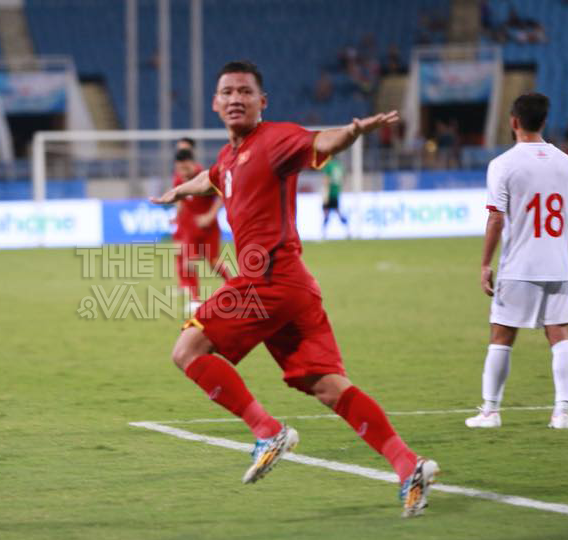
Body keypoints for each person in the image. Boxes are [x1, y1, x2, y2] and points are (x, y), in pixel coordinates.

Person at [150, 61, 438, 517]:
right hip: (296, 286)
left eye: (245, 91)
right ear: (214, 103)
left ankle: (267, 430)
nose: (235, 99)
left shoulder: (276, 139)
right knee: (325, 385)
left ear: (262, 102)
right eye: (227, 92)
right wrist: (178, 192)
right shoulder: (228, 157)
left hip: (267, 278)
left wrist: (351, 132)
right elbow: (211, 178)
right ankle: (409, 465)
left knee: (187, 350)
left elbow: (319, 142)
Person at [465, 93, 568, 430]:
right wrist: (562, 251)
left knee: (501, 335)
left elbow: (496, 219)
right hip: (557, 263)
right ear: (544, 121)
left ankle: (490, 411)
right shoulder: (566, 163)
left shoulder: (503, 164)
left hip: (519, 265)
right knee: (560, 333)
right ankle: (562, 413)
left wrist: (486, 263)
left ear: (514, 121)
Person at [172, 148, 232, 314]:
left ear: (192, 164)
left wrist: (210, 215)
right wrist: (176, 217)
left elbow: (222, 196)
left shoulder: (206, 176)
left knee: (213, 261)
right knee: (188, 261)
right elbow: (181, 200)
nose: (182, 173)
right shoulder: (178, 180)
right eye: (179, 169)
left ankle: (233, 284)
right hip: (189, 228)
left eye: (185, 169)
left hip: (208, 228)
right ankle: (195, 299)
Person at [321, 157, 349, 239]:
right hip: (336, 193)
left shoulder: (329, 166)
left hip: (329, 193)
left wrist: (325, 193)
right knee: (338, 213)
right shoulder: (339, 166)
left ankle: (323, 234)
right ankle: (348, 230)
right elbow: (344, 178)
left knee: (326, 214)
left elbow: (326, 179)